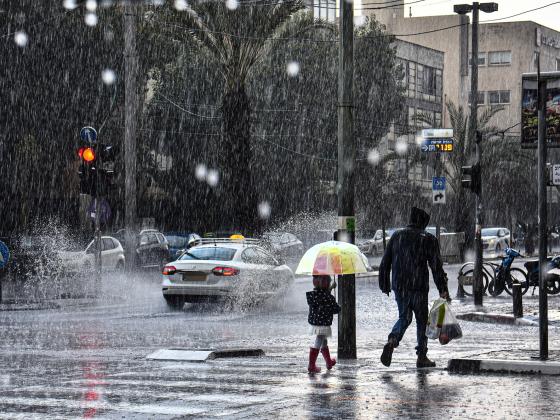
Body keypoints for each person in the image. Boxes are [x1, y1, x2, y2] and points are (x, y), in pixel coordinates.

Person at [378, 207, 450, 368]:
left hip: (400, 285)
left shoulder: (397, 236)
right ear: (423, 222)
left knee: (404, 317)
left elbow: (385, 262)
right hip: (418, 286)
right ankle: (422, 356)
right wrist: (443, 288)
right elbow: (436, 267)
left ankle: (392, 340)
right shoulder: (428, 239)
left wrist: (385, 284)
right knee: (421, 321)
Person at [306, 275, 341, 373]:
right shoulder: (329, 298)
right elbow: (335, 309)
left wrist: (330, 288)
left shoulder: (313, 295)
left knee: (323, 340)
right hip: (324, 323)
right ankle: (311, 365)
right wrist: (339, 306)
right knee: (319, 340)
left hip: (315, 322)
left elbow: (322, 295)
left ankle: (328, 362)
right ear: (327, 283)